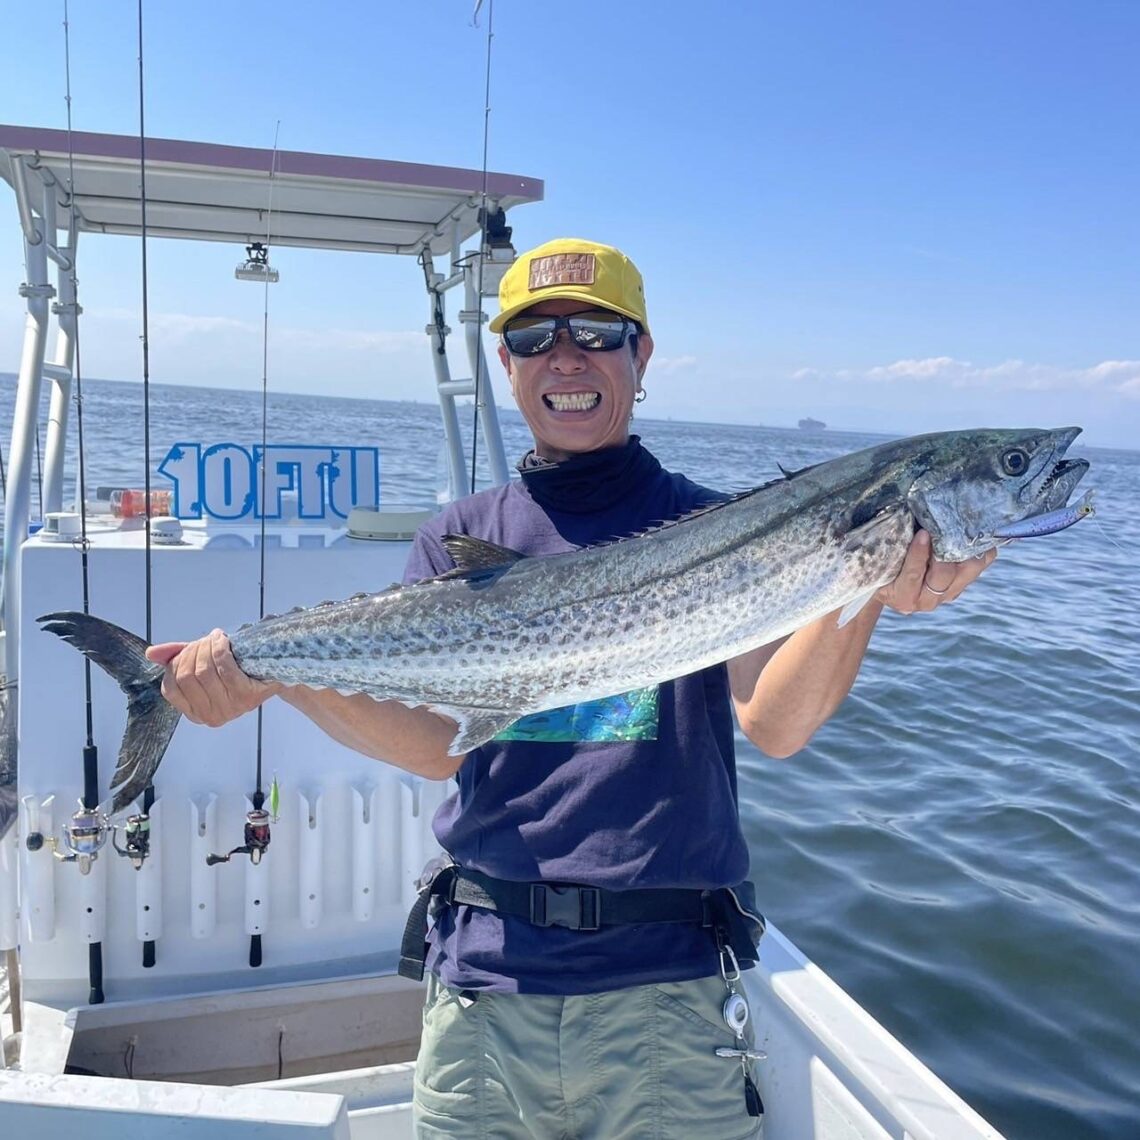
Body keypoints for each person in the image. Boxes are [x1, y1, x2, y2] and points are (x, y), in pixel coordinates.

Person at [147, 238, 995, 1139]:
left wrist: (867, 582)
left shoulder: (721, 526)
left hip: (668, 994)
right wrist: (277, 677)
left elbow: (774, 724)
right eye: (534, 338)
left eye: (595, 333)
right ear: (507, 364)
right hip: (483, 988)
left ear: (642, 354)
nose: (565, 358)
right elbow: (433, 748)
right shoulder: (459, 536)